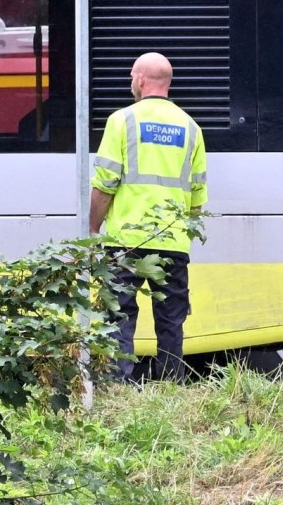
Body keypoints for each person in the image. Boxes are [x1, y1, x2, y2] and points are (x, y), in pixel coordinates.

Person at [89, 52, 207, 382]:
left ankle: (120, 387)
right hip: (172, 240)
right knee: (171, 320)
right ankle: (171, 388)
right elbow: (197, 198)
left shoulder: (121, 121)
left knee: (119, 316)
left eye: (131, 78)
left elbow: (104, 184)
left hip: (126, 241)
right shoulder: (191, 127)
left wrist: (92, 227)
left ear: (141, 80)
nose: (130, 83)